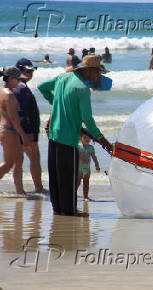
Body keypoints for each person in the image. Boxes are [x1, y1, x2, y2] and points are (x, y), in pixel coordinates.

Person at [37, 55, 112, 217]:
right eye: (97, 72)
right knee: (68, 177)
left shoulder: (63, 77)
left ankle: (57, 208)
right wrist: (102, 140)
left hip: (53, 135)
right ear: (90, 71)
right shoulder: (82, 89)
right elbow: (88, 119)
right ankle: (70, 210)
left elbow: (41, 86)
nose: (98, 76)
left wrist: (56, 103)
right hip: (68, 138)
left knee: (56, 175)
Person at [13, 59, 48, 194]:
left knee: (18, 161)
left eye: (32, 71)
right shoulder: (21, 88)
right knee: (32, 158)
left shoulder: (18, 86)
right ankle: (38, 188)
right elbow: (21, 112)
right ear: (19, 71)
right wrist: (27, 133)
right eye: (27, 71)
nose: (30, 73)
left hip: (21, 131)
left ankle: (20, 190)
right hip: (25, 132)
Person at [0, 67, 31, 194]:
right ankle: (20, 190)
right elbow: (14, 118)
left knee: (19, 159)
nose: (19, 82)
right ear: (11, 79)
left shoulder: (2, 91)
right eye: (18, 79)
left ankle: (20, 190)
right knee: (8, 164)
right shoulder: (10, 95)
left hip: (4, 129)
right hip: (10, 130)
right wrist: (23, 135)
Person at [77, 130, 100, 201]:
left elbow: (94, 157)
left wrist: (97, 165)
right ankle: (73, 195)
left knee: (86, 183)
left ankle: (85, 197)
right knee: (77, 183)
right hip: (79, 169)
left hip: (87, 169)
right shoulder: (78, 147)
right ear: (80, 138)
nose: (87, 139)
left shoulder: (91, 148)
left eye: (89, 138)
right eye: (85, 137)